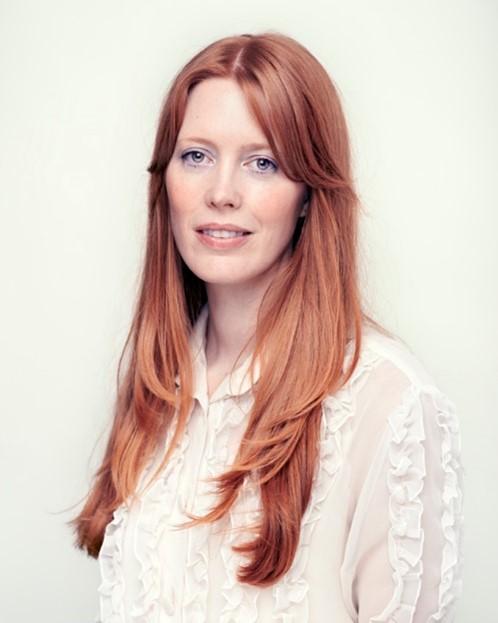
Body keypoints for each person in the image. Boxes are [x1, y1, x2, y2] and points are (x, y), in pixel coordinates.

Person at [71, 31, 465, 622]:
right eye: (197, 155)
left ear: (309, 194)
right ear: (166, 181)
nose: (222, 193)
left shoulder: (389, 404)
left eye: (263, 163)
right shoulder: (159, 385)